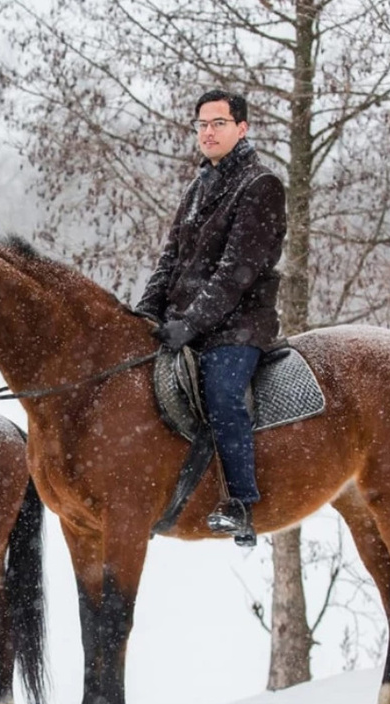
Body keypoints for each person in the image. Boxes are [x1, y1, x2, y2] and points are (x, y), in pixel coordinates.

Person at [135, 89, 288, 546]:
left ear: (242, 128)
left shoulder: (261, 185)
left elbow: (236, 273)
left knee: (223, 393)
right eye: (202, 124)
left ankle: (241, 503)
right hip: (190, 322)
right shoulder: (198, 186)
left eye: (218, 123)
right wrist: (144, 312)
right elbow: (170, 260)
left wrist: (191, 323)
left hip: (239, 326)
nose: (208, 132)